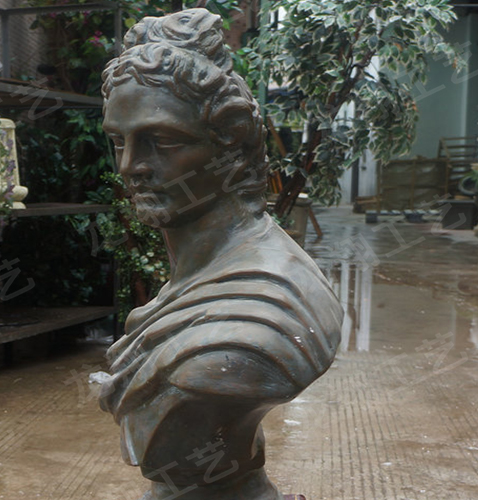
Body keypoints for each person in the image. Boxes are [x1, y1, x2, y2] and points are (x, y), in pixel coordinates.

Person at [98, 9, 343, 500]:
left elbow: (220, 373)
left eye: (160, 141)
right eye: (118, 141)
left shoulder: (267, 317)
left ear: (229, 138)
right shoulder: (193, 284)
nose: (129, 166)